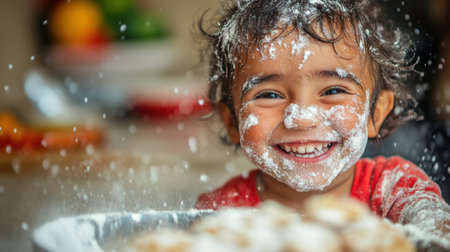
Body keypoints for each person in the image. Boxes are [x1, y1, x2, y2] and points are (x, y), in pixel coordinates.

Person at [194, 0, 450, 242]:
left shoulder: (394, 190)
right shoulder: (221, 214)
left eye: (333, 91)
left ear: (376, 113)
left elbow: (437, 230)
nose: (302, 118)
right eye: (269, 95)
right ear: (231, 122)